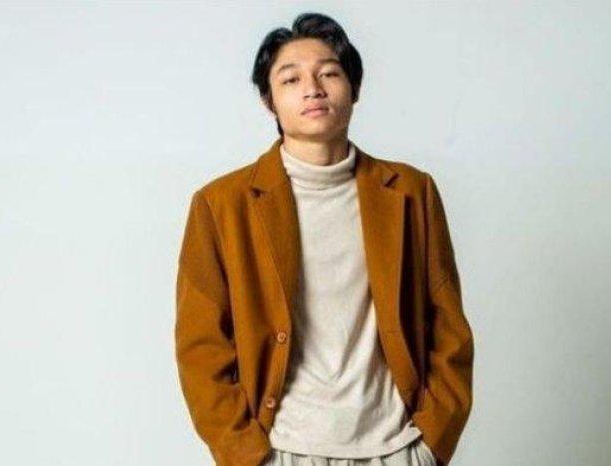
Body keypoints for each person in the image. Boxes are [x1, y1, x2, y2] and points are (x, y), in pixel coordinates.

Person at [174, 12, 474, 466]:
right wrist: (245, 455)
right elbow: (200, 346)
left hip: (397, 446)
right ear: (269, 101)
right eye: (290, 79)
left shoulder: (411, 192)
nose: (312, 89)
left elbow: (448, 323)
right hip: (283, 449)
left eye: (329, 73)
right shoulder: (222, 205)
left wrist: (432, 442)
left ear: (354, 87)